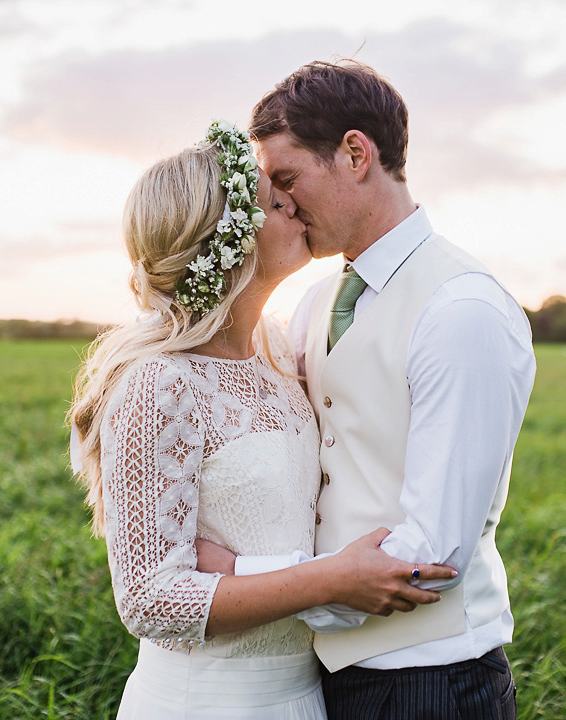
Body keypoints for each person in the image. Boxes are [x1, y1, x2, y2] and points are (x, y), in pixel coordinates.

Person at [66, 122, 456, 720]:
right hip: (209, 702)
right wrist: (329, 580)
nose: (296, 205)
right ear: (228, 241)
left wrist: (251, 570)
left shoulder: (280, 352)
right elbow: (149, 599)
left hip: (300, 695)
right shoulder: (160, 383)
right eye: (276, 202)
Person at [211, 60, 536, 719]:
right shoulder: (315, 304)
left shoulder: (461, 309)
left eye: (287, 178)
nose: (279, 204)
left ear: (356, 153)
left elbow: (430, 554)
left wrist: (243, 586)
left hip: (431, 684)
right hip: (329, 676)